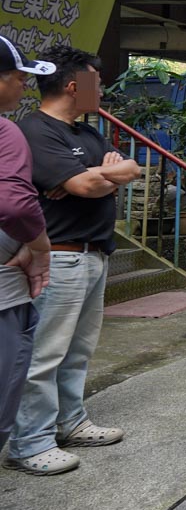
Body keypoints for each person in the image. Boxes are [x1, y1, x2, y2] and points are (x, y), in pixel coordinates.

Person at [5, 47, 139, 476]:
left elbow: (130, 169)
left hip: (93, 255)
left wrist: (105, 176)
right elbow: (83, 185)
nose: (100, 88)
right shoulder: (34, 132)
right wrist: (100, 176)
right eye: (96, 81)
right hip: (59, 257)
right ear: (72, 85)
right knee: (45, 353)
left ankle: (70, 421)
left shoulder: (87, 133)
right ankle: (31, 441)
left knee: (77, 351)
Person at [0, 37, 54, 510]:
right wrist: (39, 246)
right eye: (18, 76)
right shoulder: (5, 132)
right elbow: (14, 201)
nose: (23, 85)